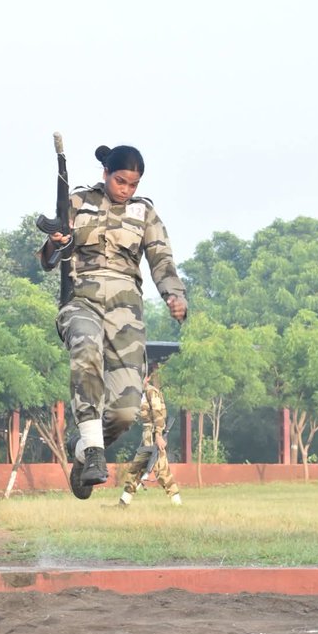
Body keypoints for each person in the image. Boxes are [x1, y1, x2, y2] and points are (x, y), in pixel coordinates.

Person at [41, 144, 188, 498]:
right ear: (106, 173)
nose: (126, 189)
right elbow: (48, 259)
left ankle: (85, 450)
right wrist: (56, 241)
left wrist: (174, 294)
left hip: (126, 311)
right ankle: (93, 451)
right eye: (120, 181)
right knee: (86, 348)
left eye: (133, 184)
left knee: (124, 412)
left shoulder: (145, 213)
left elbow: (161, 259)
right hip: (81, 301)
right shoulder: (78, 203)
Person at [118, 364, 182, 507]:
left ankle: (177, 504)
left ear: (146, 377)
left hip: (154, 435)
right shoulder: (139, 394)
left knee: (161, 471)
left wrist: (159, 436)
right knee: (138, 467)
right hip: (147, 434)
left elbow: (158, 416)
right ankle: (123, 502)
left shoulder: (151, 392)